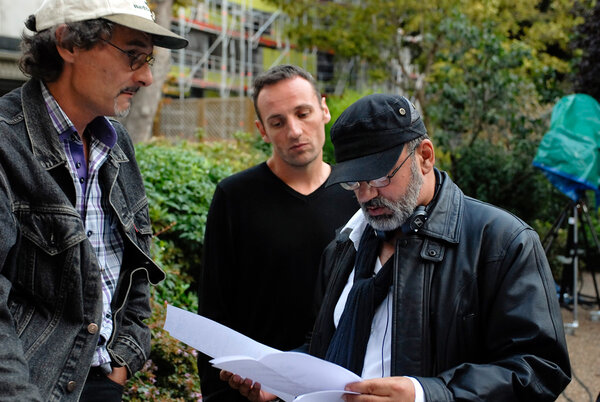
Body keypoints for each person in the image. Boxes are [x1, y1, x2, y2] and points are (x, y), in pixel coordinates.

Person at [222, 94, 572, 401]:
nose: (367, 195)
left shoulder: (502, 241)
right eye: (354, 183)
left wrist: (426, 395)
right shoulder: (345, 246)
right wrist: (280, 380)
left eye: (379, 177)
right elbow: (326, 345)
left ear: (424, 156)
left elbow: (541, 369)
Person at [0, 0, 187, 400]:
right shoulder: (5, 142)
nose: (148, 77)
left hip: (104, 383)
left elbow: (134, 270)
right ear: (68, 43)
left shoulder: (117, 146)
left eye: (149, 59)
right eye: (134, 56)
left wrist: (123, 359)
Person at [197, 64, 358, 401]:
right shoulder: (235, 197)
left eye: (303, 113)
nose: (295, 131)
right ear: (262, 130)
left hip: (342, 387)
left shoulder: (358, 195)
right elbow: (214, 310)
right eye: (278, 122)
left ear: (324, 110)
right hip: (250, 390)